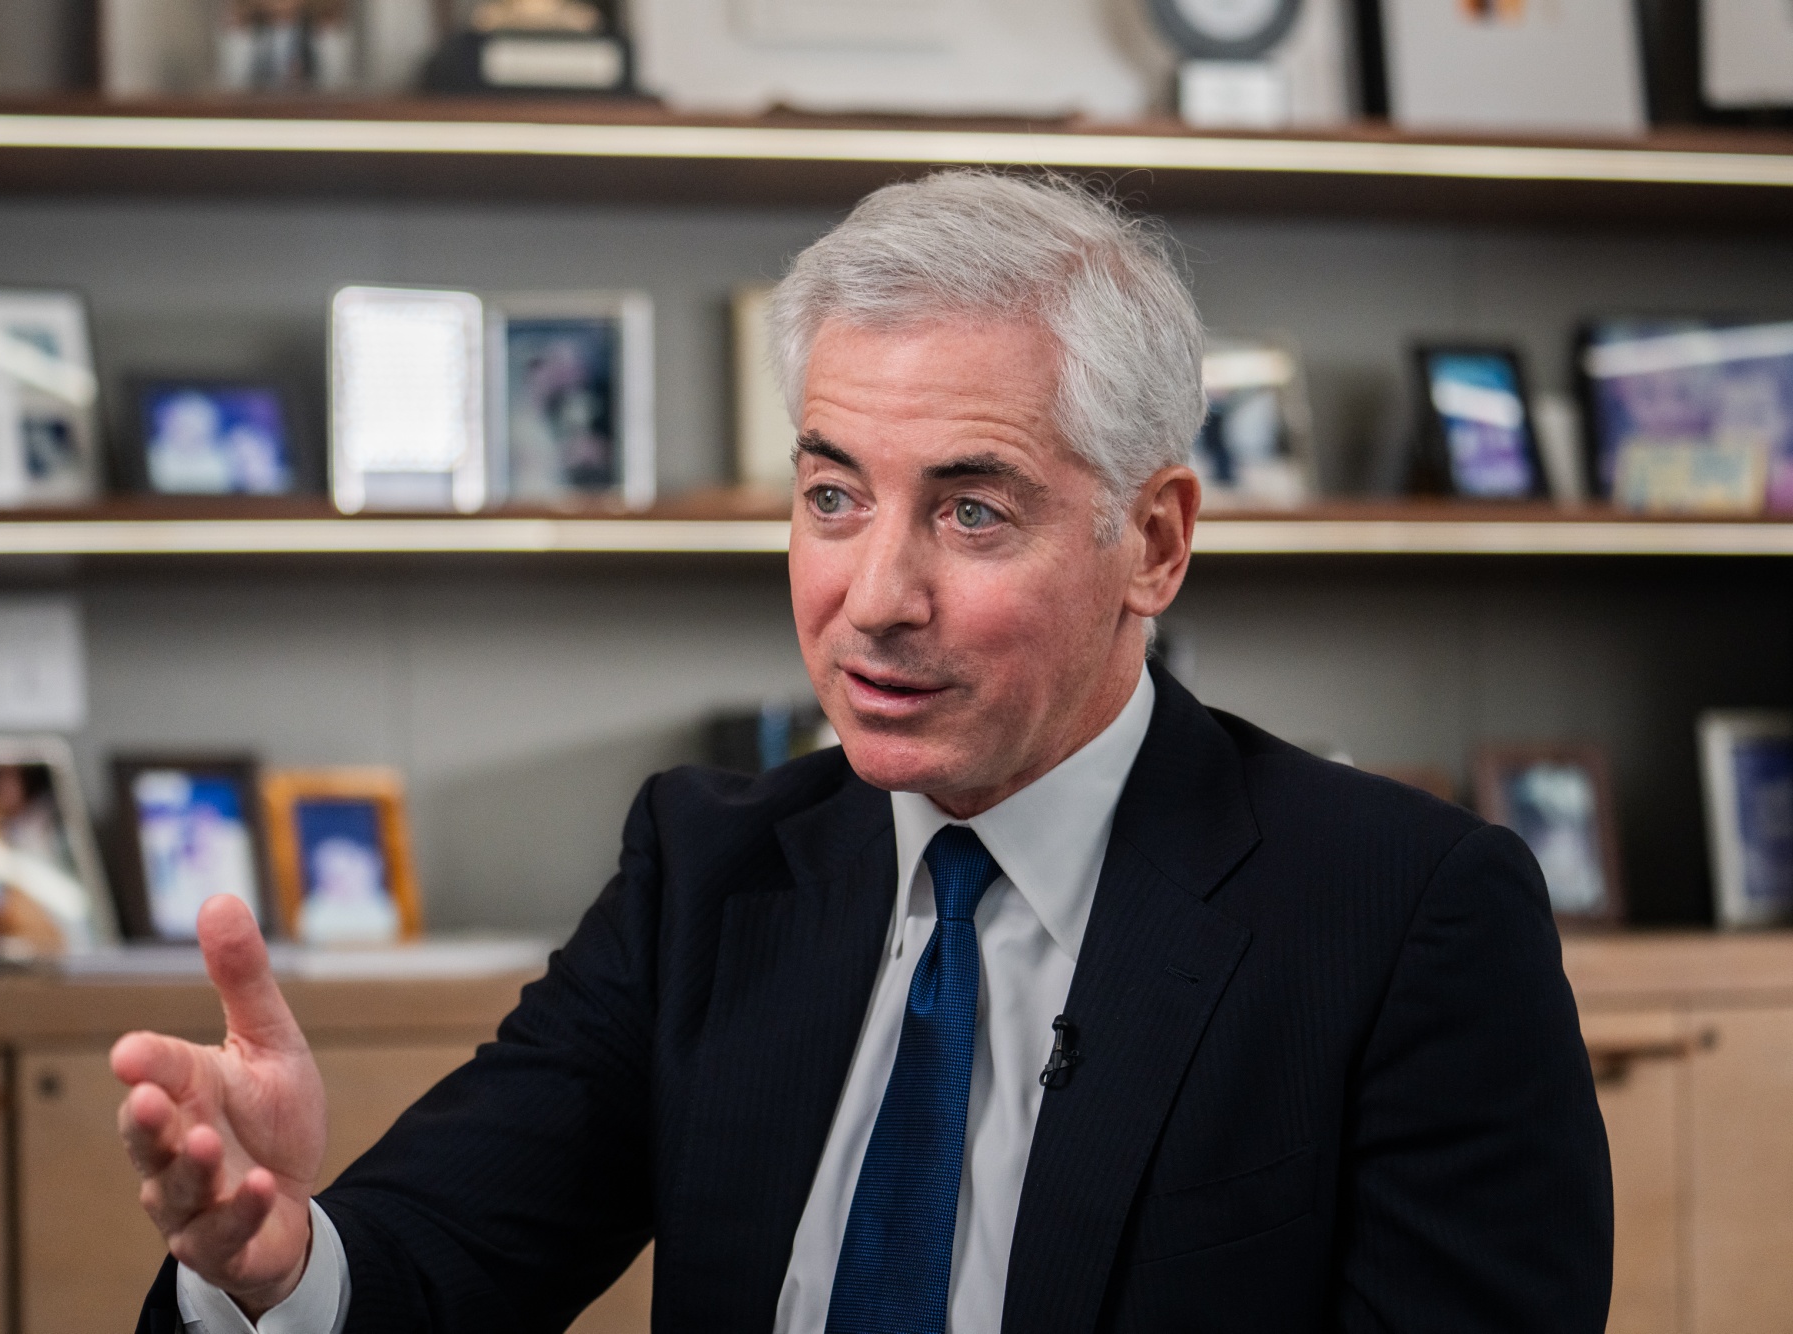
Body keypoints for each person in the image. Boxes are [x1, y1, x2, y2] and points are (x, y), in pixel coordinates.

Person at [113, 170, 1612, 1334]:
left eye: (971, 509)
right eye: (834, 496)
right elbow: (443, 1264)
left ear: (1151, 542)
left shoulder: (1408, 916)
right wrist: (277, 1257)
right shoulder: (707, 872)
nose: (874, 597)